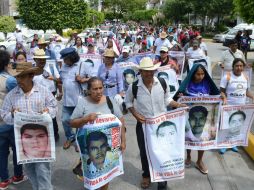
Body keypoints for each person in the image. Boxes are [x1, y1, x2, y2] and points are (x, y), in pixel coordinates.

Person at [125, 57, 186, 190]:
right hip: (143, 125)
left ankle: (162, 178)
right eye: (145, 71)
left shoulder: (162, 83)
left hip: (161, 125)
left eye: (151, 70)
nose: (149, 73)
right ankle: (146, 175)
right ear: (140, 71)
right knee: (144, 152)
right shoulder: (134, 86)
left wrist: (179, 105)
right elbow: (128, 102)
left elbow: (167, 100)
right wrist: (136, 115)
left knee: (162, 151)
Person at [0, 62, 57, 190]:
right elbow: (4, 115)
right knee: (30, 171)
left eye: (21, 77)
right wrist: (13, 115)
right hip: (24, 143)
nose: (18, 80)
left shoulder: (43, 91)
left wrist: (48, 112)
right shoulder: (12, 95)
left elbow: (54, 107)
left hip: (42, 142)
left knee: (43, 171)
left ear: (31, 76)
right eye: (17, 77)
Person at [70, 77, 126, 190]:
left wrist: (123, 141)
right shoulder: (83, 102)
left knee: (106, 173)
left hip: (108, 147)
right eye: (95, 89)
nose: (99, 91)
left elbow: (121, 121)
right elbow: (72, 122)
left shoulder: (110, 101)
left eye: (101, 88)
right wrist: (85, 119)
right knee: (93, 176)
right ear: (89, 90)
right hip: (90, 149)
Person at [173, 64, 221, 175]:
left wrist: (221, 95)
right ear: (193, 74)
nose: (201, 76)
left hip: (204, 117)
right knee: (188, 137)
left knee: (203, 139)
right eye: (198, 74)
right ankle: (188, 156)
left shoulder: (208, 84)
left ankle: (199, 161)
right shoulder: (187, 85)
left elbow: (216, 95)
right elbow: (177, 99)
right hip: (190, 117)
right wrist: (181, 96)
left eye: (203, 74)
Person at [0, 50, 27, 190]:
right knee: (17, 150)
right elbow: (20, 94)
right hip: (10, 121)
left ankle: (3, 180)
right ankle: (18, 176)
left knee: (1, 153)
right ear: (6, 63)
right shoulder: (9, 80)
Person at [219, 58, 254, 154]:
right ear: (233, 67)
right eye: (237, 66)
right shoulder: (227, 77)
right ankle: (224, 144)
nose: (239, 68)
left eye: (241, 66)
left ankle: (233, 144)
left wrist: (253, 96)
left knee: (237, 125)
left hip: (240, 107)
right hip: (228, 106)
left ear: (243, 67)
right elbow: (221, 91)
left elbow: (247, 92)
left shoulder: (245, 77)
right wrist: (224, 98)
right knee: (226, 125)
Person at [59, 47, 87, 149]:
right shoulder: (63, 67)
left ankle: (79, 141)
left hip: (79, 100)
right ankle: (70, 137)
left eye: (65, 58)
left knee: (80, 122)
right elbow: (61, 80)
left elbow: (93, 78)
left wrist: (83, 79)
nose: (64, 60)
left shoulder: (83, 65)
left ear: (72, 57)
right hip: (67, 99)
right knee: (65, 120)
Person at [33, 49, 62, 141]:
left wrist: (60, 91)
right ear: (35, 60)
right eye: (39, 59)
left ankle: (54, 134)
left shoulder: (51, 66)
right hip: (36, 96)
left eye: (43, 59)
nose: (42, 61)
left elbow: (59, 80)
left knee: (51, 116)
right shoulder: (31, 70)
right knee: (39, 116)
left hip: (50, 94)